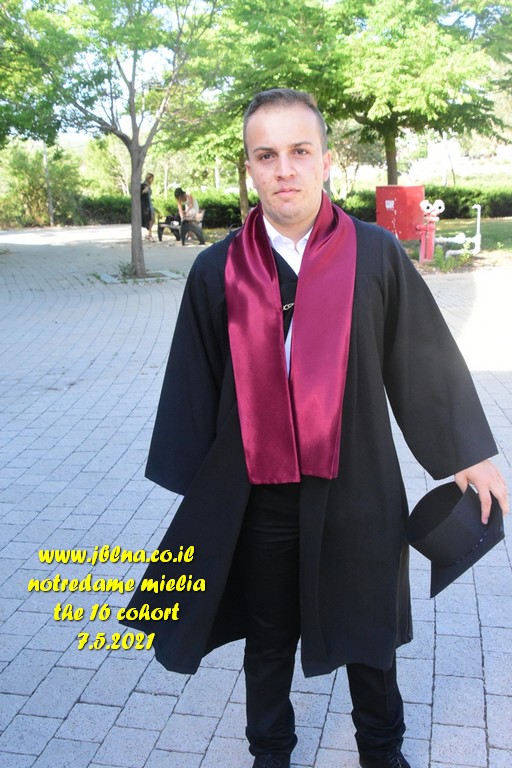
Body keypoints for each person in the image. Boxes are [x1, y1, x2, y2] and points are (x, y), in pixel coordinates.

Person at [122, 89, 508, 768]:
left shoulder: (374, 255)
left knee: (369, 633)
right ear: (250, 168)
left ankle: (381, 752)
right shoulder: (218, 270)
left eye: (300, 151)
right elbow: (195, 381)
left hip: (359, 485)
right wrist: (204, 494)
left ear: (326, 160)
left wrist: (468, 453)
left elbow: (419, 357)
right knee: (268, 637)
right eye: (266, 155)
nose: (285, 170)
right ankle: (270, 752)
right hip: (260, 492)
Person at [141, 173, 155, 241]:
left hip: (150, 203)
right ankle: (149, 235)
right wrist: (143, 191)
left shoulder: (148, 185)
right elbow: (140, 194)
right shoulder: (144, 185)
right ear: (149, 178)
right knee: (150, 219)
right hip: (146, 205)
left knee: (153, 219)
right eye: (152, 178)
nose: (153, 180)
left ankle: (148, 234)